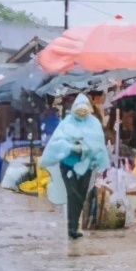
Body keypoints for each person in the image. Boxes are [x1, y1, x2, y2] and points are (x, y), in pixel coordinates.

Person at [40, 94, 110, 240]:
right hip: (68, 164)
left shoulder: (94, 123)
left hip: (86, 165)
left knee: (81, 194)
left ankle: (74, 225)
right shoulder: (66, 123)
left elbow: (98, 144)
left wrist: (86, 149)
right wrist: (71, 147)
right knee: (72, 194)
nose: (82, 114)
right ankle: (72, 227)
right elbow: (57, 142)